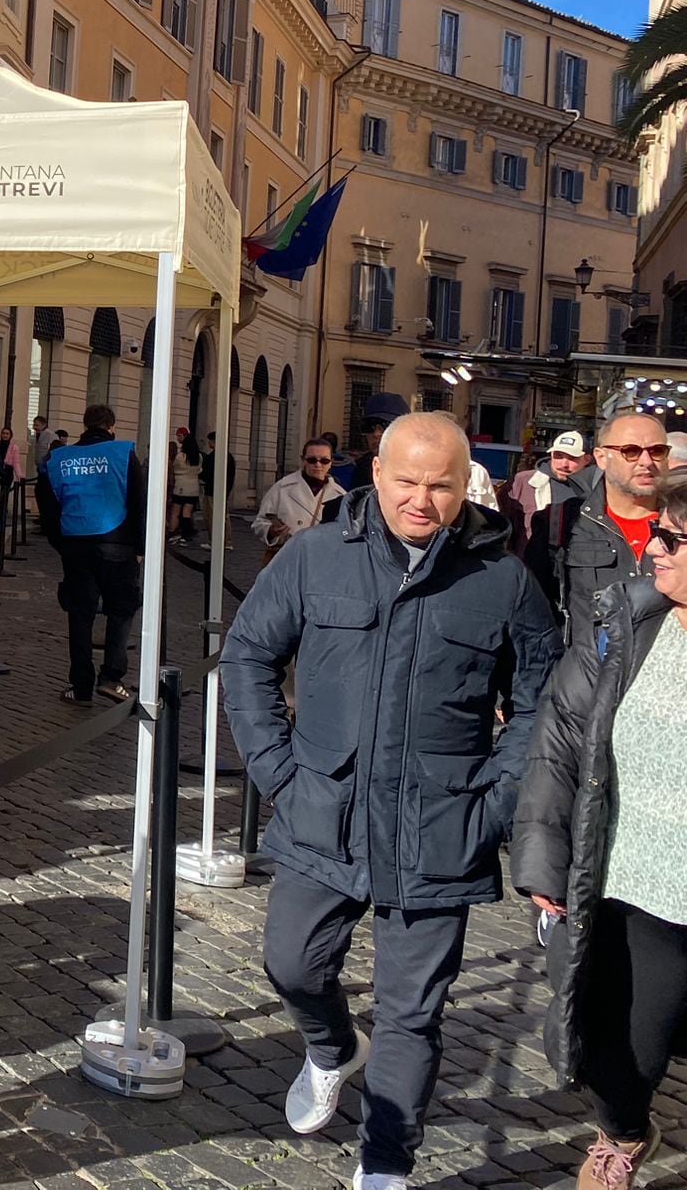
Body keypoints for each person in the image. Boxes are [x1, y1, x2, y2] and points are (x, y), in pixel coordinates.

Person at [222, 411, 560, 1190]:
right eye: (405, 480)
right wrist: (276, 768)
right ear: (375, 474)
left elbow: (542, 704)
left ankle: (385, 1167)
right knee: (293, 965)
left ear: (464, 484)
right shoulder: (313, 556)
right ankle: (334, 1048)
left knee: (413, 1014)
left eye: (439, 484)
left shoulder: (503, 580)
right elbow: (248, 656)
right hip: (322, 811)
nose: (421, 498)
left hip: (443, 824)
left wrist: (497, 800)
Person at [513, 474, 687, 1189]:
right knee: (623, 1044)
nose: (656, 549)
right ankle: (621, 1134)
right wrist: (542, 861)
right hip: (633, 878)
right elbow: (558, 740)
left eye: (674, 539)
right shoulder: (627, 627)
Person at [37, 405, 148, 706]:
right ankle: (112, 677)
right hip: (117, 544)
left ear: (84, 425)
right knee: (121, 611)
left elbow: (47, 505)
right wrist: (139, 548)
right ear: (111, 427)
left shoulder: (59, 458)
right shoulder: (123, 454)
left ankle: (81, 685)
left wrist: (60, 542)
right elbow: (139, 503)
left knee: (80, 614)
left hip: (75, 545)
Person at [527, 412, 665, 636]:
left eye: (657, 451)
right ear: (601, 458)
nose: (646, 462)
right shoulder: (560, 521)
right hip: (586, 666)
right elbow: (533, 615)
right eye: (631, 451)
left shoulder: (680, 526)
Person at [252, 438, 346, 559]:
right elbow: (259, 522)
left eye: (324, 460)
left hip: (323, 559)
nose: (318, 465)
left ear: (331, 462)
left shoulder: (340, 494)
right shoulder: (282, 488)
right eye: (312, 460)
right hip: (287, 557)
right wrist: (271, 531)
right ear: (303, 460)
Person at [169, 431, 202, 545]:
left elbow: (175, 468)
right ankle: (186, 534)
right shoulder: (199, 457)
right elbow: (199, 470)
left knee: (175, 512)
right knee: (187, 513)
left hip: (180, 486)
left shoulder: (180, 457)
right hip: (193, 488)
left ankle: (172, 532)